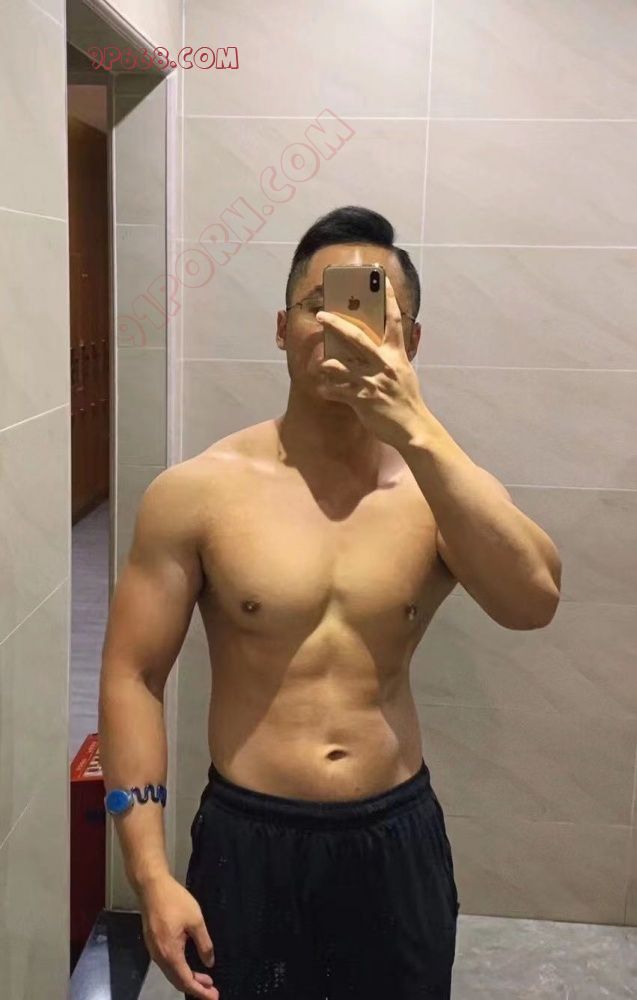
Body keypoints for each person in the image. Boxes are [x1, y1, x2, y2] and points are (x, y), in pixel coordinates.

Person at [99, 205, 561, 1000]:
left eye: (370, 306)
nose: (340, 326)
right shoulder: (198, 492)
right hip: (249, 840)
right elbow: (132, 676)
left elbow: (532, 602)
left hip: (394, 838)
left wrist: (417, 430)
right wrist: (149, 875)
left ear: (409, 340)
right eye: (320, 304)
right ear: (281, 328)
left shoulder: (437, 491)